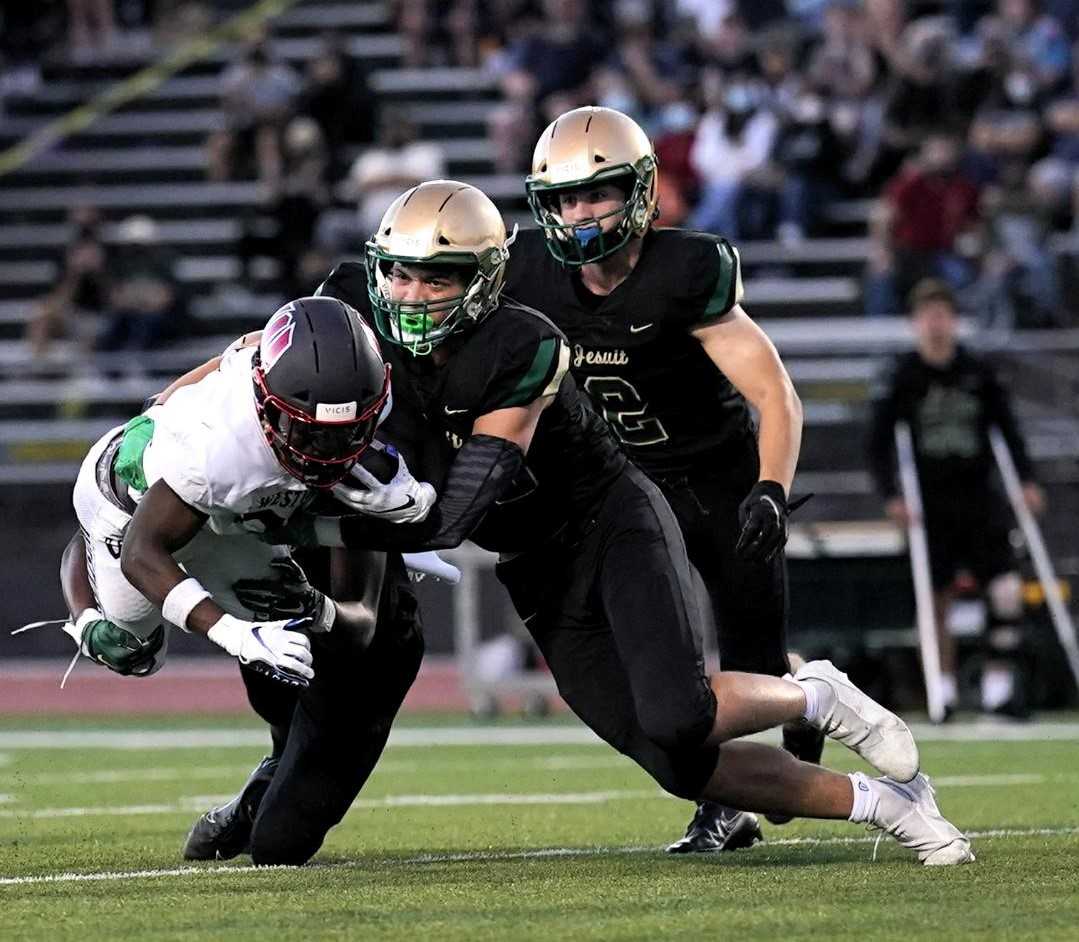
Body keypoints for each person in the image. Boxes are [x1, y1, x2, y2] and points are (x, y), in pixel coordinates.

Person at [307, 180, 973, 867]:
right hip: (532, 563)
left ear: (482, 281)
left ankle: (814, 694)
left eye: (438, 276)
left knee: (679, 711)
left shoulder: (520, 341)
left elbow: (458, 512)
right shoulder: (352, 311)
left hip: (607, 520)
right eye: (400, 272)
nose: (412, 294)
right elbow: (261, 369)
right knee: (677, 761)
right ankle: (888, 805)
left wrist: (332, 524)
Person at [505, 105, 812, 853]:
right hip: (625, 493)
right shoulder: (527, 272)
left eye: (597, 194)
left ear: (640, 193)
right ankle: (720, 801)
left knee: (753, 662)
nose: (579, 214)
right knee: (664, 674)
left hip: (718, 484)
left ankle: (804, 695)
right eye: (566, 198)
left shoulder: (684, 271)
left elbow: (773, 392)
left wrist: (770, 490)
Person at [52, 296, 438, 864]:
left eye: (343, 435)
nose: (325, 452)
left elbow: (359, 625)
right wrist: (230, 632)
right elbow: (142, 549)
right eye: (306, 432)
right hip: (129, 507)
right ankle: (86, 612)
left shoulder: (337, 411)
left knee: (283, 625)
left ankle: (273, 775)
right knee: (134, 651)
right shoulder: (217, 450)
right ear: (266, 403)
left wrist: (321, 595)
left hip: (239, 513)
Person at [868, 278, 1046, 719]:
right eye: (928, 317)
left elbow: (1009, 430)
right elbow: (877, 442)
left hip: (979, 500)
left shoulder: (978, 373)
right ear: (914, 323)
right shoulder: (903, 377)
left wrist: (1025, 479)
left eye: (943, 315)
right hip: (930, 505)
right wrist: (891, 495)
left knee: (1005, 591)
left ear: (954, 321)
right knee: (937, 598)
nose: (936, 325)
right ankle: (942, 688)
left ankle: (997, 688)